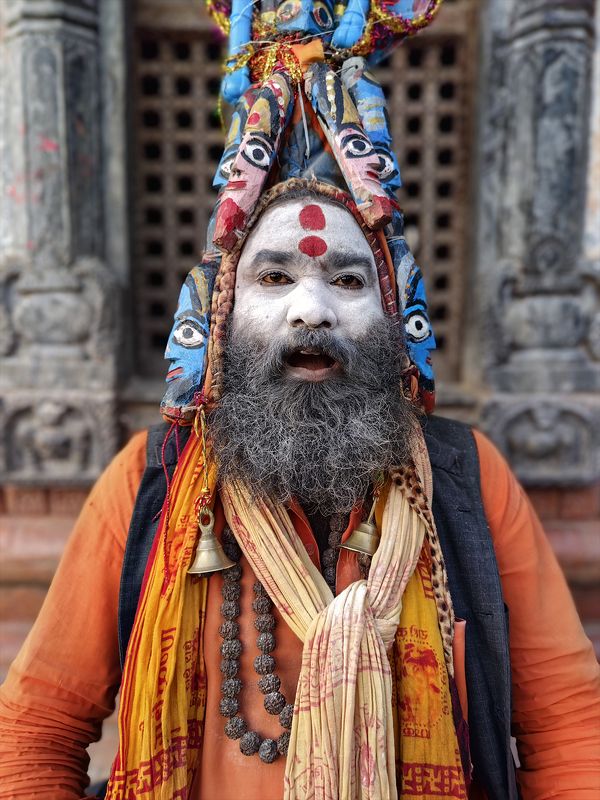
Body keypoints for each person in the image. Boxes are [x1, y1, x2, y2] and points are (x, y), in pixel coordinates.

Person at [1, 2, 599, 799]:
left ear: (394, 317)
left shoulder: (468, 480)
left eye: (348, 280)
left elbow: (569, 727)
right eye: (275, 278)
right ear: (220, 322)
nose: (310, 310)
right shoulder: (150, 481)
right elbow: (35, 731)